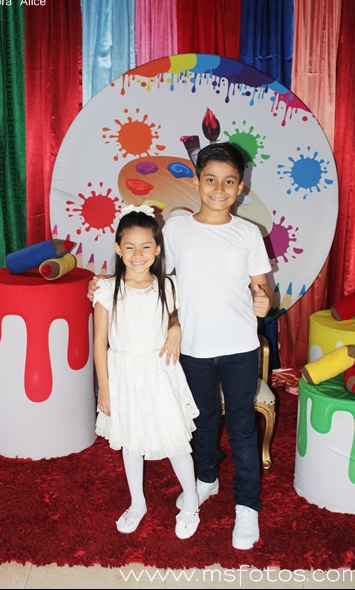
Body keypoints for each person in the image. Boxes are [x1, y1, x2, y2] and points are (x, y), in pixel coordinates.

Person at [89, 142, 272, 550]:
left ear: (240, 187)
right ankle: (206, 478)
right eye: (211, 180)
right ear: (197, 182)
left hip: (240, 347)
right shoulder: (175, 229)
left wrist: (263, 300)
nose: (219, 189)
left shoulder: (248, 234)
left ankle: (247, 505)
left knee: (241, 427)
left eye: (229, 182)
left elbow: (263, 289)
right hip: (190, 350)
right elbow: (155, 282)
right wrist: (108, 287)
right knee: (201, 424)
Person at [92, 203, 200, 540]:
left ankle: (192, 501)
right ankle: (137, 503)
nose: (138, 255)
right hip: (123, 375)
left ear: (157, 249)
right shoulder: (106, 289)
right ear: (117, 248)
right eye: (130, 247)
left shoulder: (169, 286)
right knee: (131, 440)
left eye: (145, 247)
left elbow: (178, 315)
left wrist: (175, 326)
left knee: (175, 438)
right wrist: (104, 389)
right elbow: (99, 342)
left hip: (160, 373)